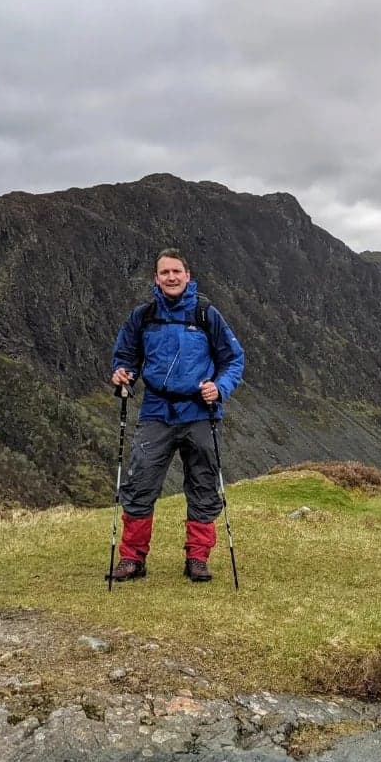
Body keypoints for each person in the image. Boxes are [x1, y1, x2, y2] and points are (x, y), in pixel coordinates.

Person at [109, 248, 245, 582]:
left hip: (199, 411)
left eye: (176, 272)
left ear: (188, 275)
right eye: (165, 272)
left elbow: (234, 359)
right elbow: (125, 355)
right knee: (140, 482)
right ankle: (132, 559)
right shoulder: (143, 317)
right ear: (156, 278)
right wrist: (122, 373)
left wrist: (220, 387)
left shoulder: (205, 314)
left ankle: (197, 559)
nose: (171, 277)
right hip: (156, 410)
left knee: (202, 483)